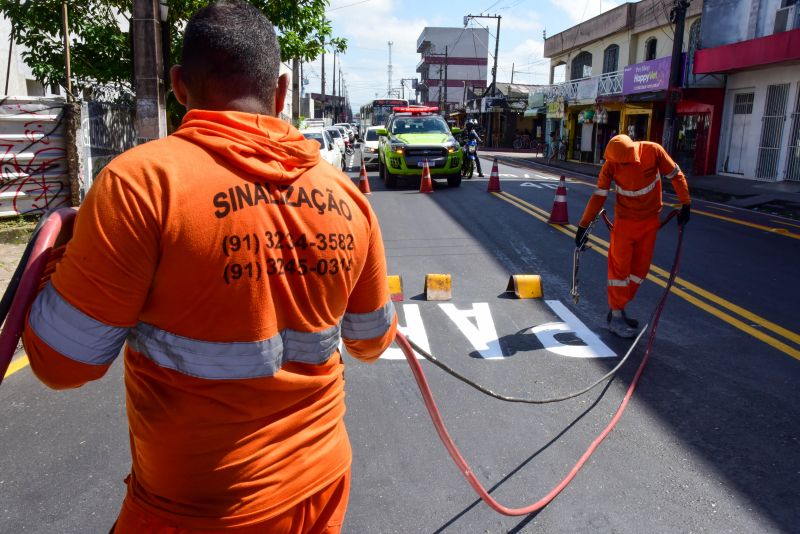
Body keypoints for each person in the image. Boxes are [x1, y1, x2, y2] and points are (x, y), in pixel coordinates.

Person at [22, 1, 397, 532]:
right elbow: (372, 341)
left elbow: (63, 366)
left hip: (200, 512)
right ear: (283, 92)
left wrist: (60, 264)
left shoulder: (141, 185)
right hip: (320, 489)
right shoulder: (346, 197)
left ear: (178, 86)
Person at [574, 134, 691, 338]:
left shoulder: (653, 151)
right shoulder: (611, 164)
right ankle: (617, 315)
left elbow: (676, 175)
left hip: (649, 222)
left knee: (639, 271)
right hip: (624, 223)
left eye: (623, 163)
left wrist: (686, 204)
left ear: (633, 155)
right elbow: (599, 196)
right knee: (619, 270)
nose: (619, 166)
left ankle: (618, 307)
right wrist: (583, 226)